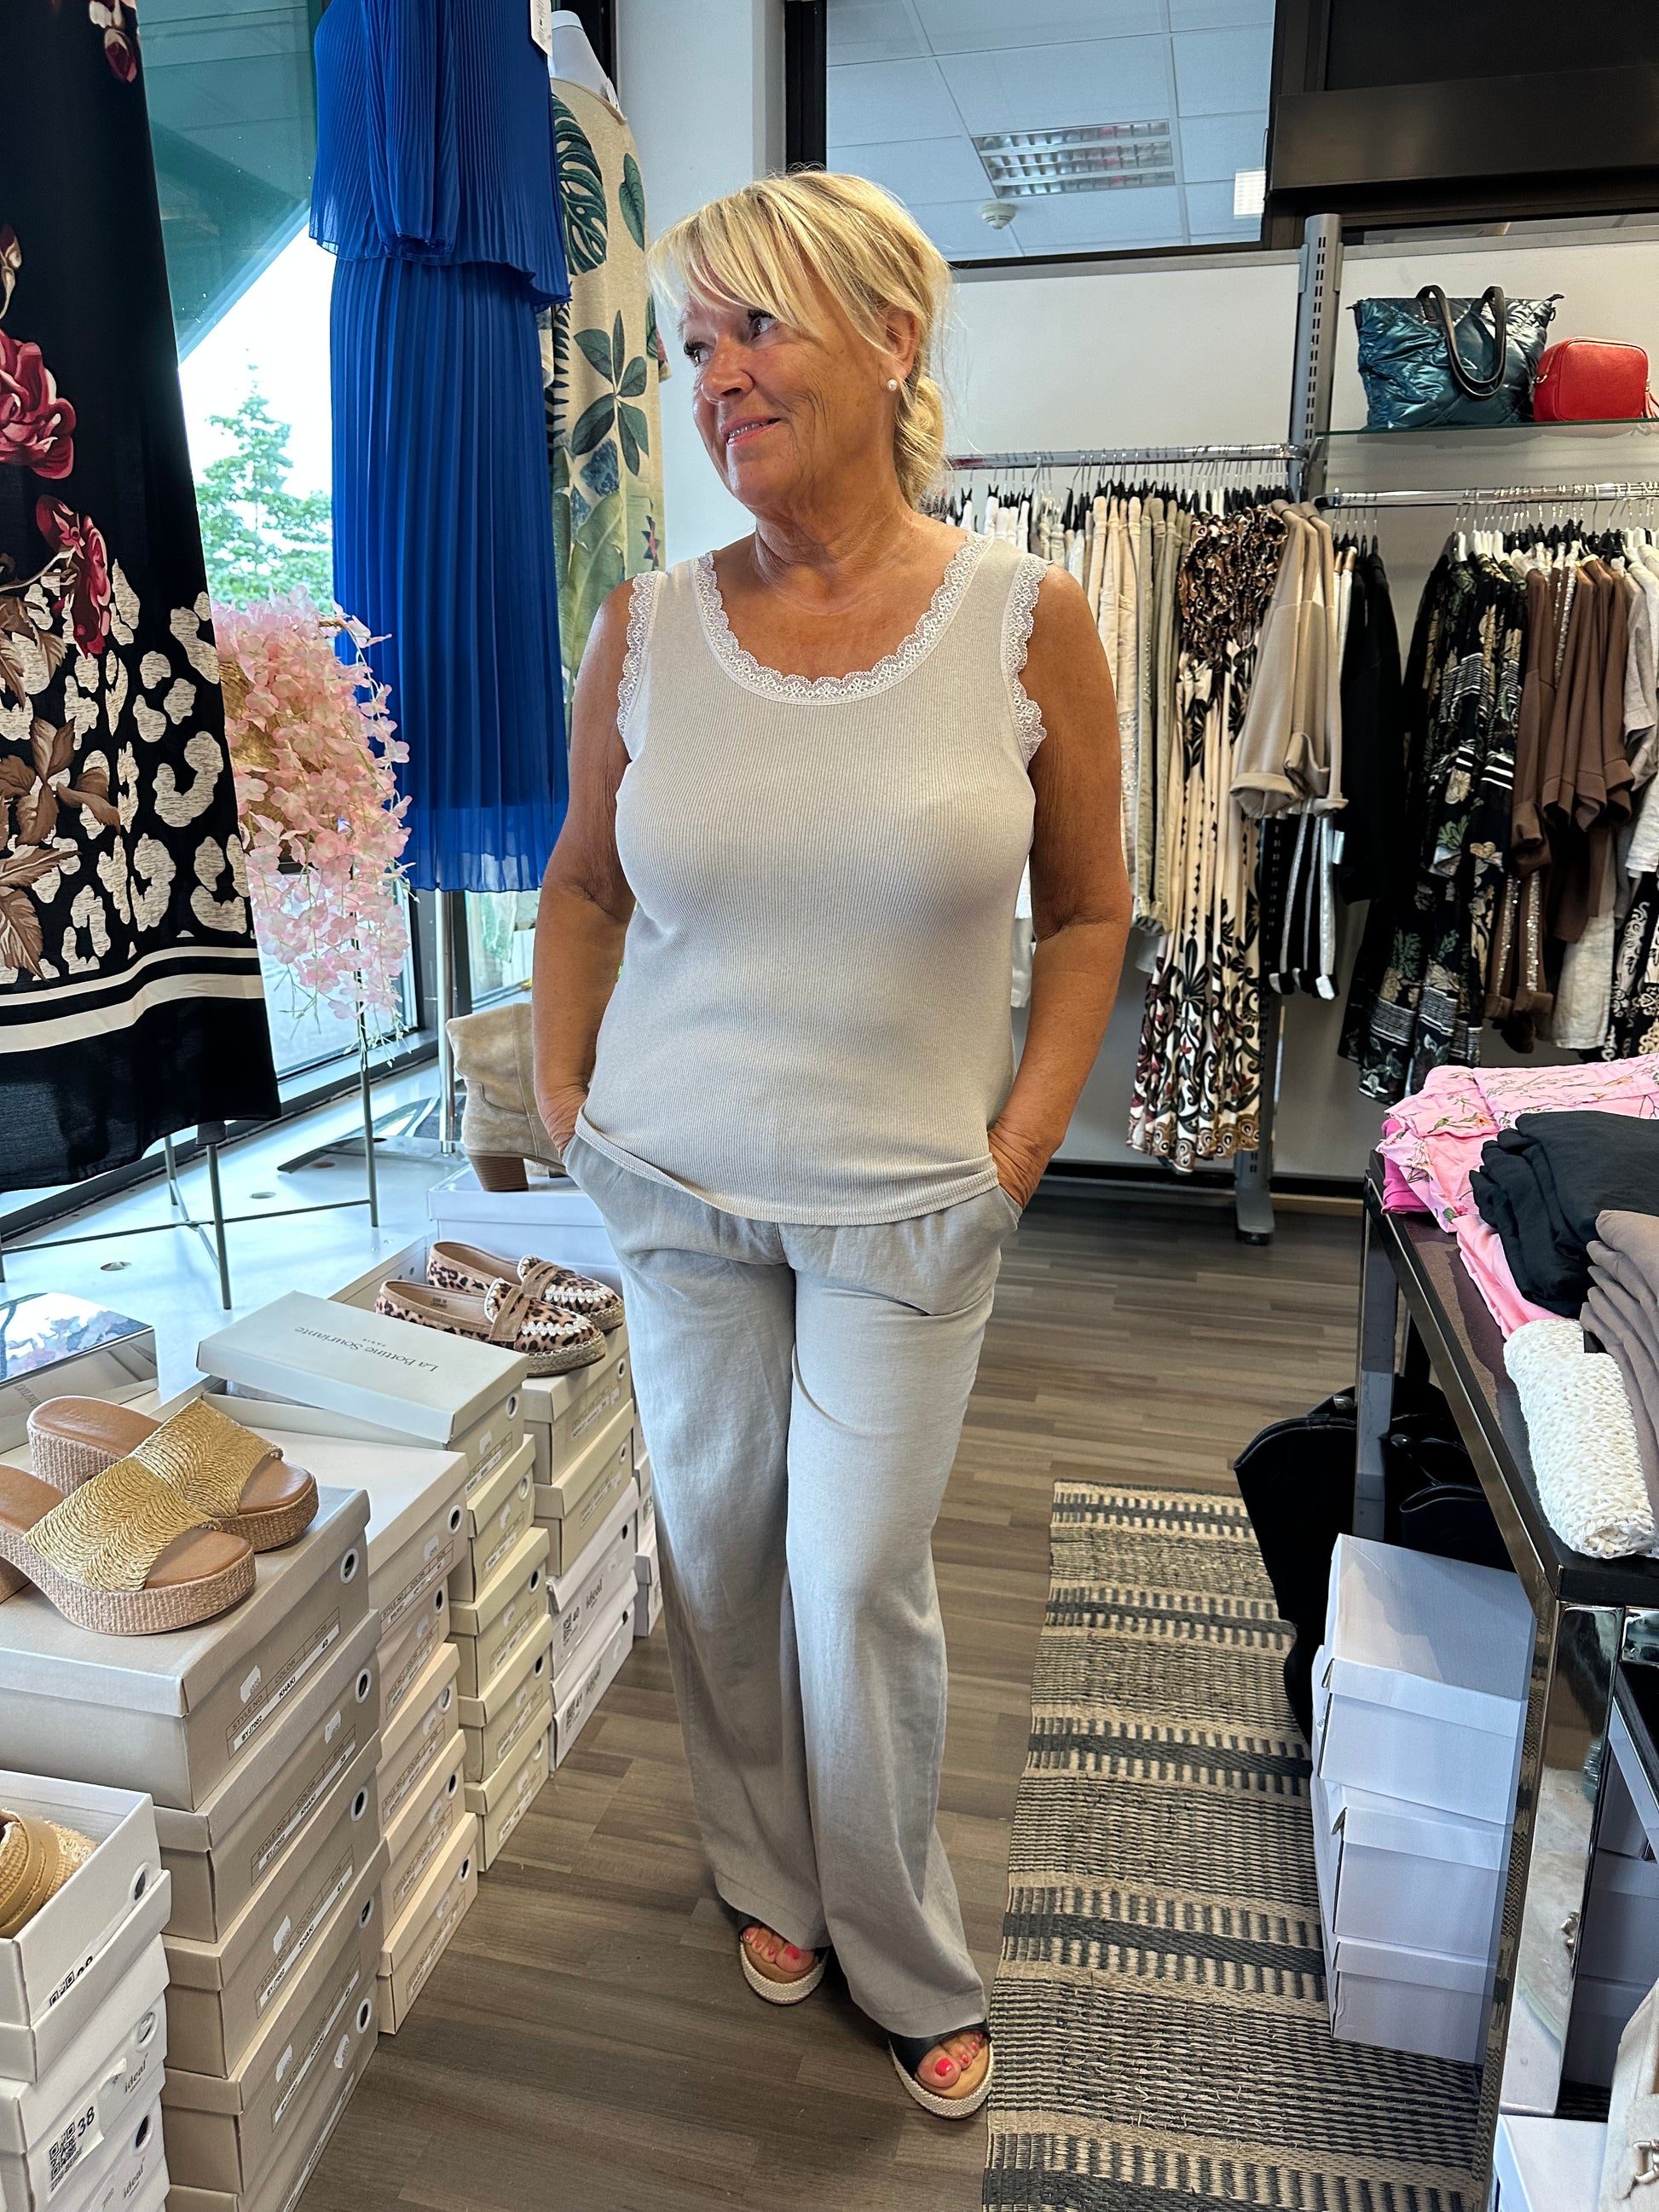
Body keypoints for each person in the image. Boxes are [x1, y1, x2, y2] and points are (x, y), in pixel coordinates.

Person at [532, 170, 1130, 2118]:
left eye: (757, 325)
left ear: (890, 338)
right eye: (692, 343)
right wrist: (566, 1097)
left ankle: (901, 1943)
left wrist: (1020, 1141)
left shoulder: (1027, 619)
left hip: (906, 1205)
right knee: (717, 1545)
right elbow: (583, 884)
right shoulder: (645, 625)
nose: (716, 374)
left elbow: (1091, 908)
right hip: (675, 1181)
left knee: (853, 1573)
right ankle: (762, 1867)